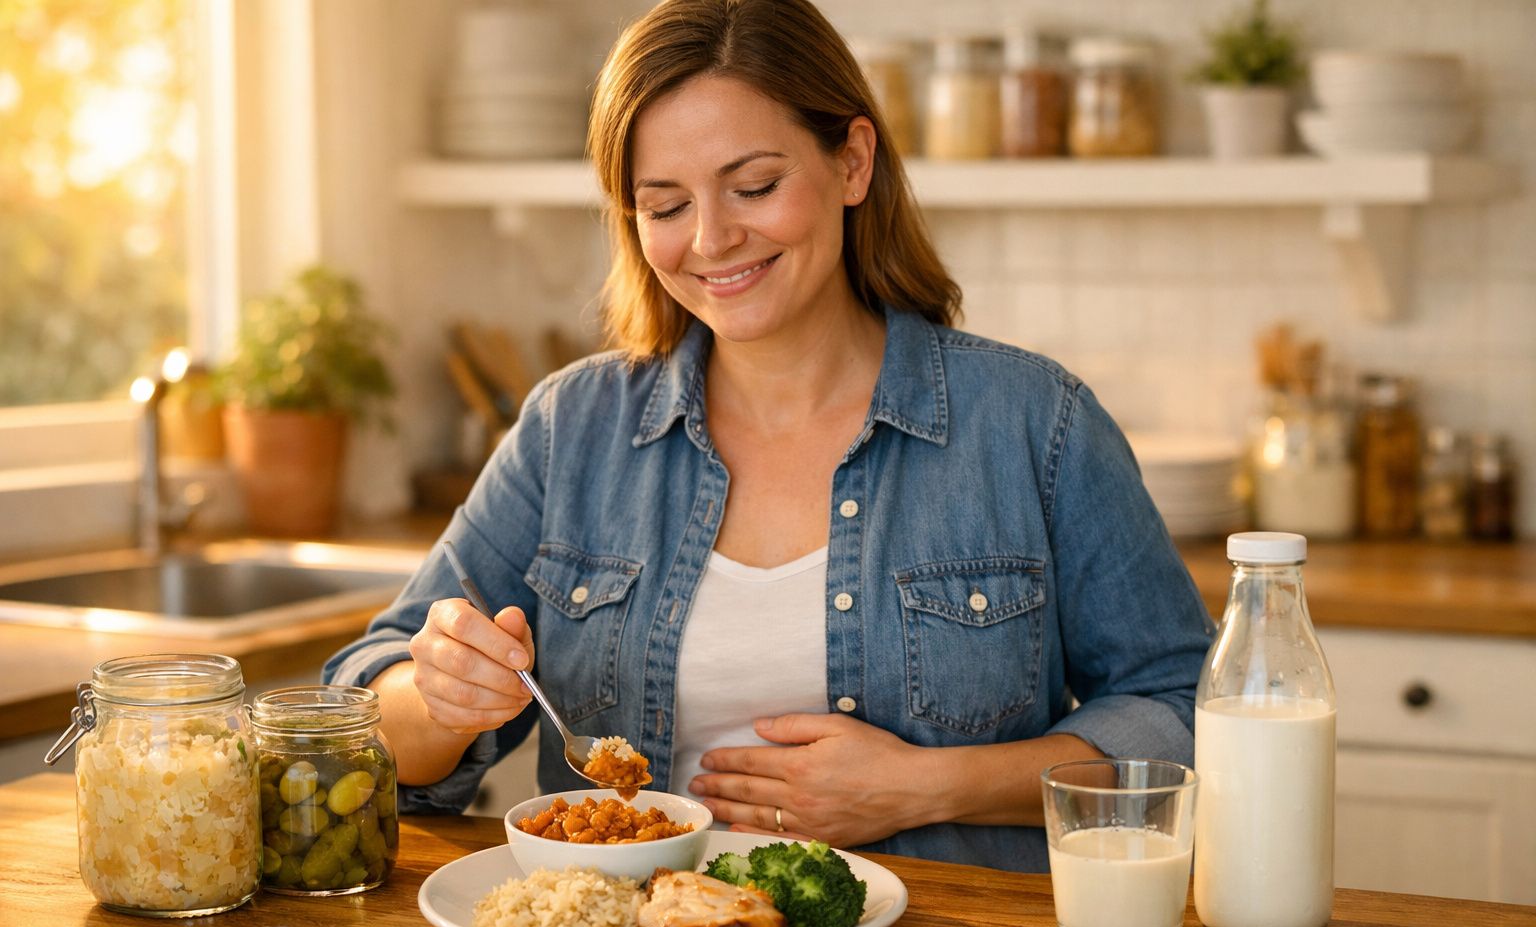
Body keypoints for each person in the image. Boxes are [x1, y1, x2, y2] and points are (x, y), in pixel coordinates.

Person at [323, 0, 1214, 872]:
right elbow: (358, 715)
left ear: (852, 162)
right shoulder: (571, 431)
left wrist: (928, 787)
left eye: (754, 186)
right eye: (665, 206)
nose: (713, 239)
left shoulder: (1033, 423)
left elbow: (1184, 713)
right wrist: (437, 699)